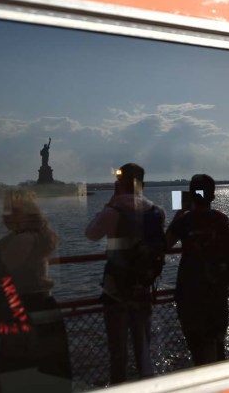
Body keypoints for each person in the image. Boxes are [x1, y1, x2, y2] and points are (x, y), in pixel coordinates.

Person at [85, 163, 165, 384]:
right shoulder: (157, 212)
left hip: (116, 290)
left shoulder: (113, 212)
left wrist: (110, 202)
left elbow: (91, 234)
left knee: (118, 352)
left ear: (118, 185)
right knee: (144, 351)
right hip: (143, 287)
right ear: (143, 185)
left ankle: (119, 386)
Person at [0, 188, 71, 391]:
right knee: (49, 374)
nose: (7, 216)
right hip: (43, 309)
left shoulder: (21, 240)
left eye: (14, 211)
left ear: (29, 213)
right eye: (6, 210)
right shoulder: (36, 236)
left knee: (17, 372)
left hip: (24, 309)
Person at [167, 174, 229, 365]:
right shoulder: (220, 220)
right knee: (216, 345)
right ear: (213, 197)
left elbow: (165, 244)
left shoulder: (185, 221)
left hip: (190, 291)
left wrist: (180, 211)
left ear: (192, 195)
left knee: (197, 347)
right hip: (216, 291)